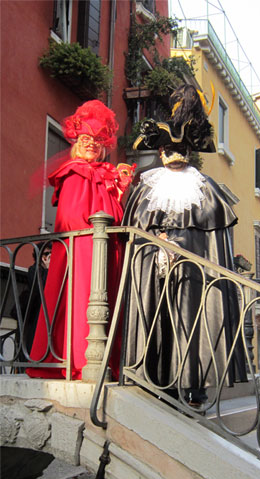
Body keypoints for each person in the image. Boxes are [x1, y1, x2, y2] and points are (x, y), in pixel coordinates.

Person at [122, 84, 247, 408]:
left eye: (179, 149)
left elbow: (214, 239)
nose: (173, 154)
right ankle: (154, 379)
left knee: (192, 317)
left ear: (189, 152)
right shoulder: (147, 184)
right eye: (167, 149)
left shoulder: (205, 189)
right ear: (161, 152)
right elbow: (134, 228)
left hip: (193, 268)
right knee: (155, 314)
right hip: (153, 264)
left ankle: (193, 385)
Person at [27, 100, 132, 380]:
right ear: (76, 141)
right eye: (86, 139)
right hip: (83, 251)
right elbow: (72, 219)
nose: (91, 145)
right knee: (82, 300)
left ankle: (106, 362)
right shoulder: (74, 172)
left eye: (97, 141)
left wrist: (120, 192)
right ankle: (78, 360)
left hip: (106, 252)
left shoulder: (104, 175)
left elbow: (115, 215)